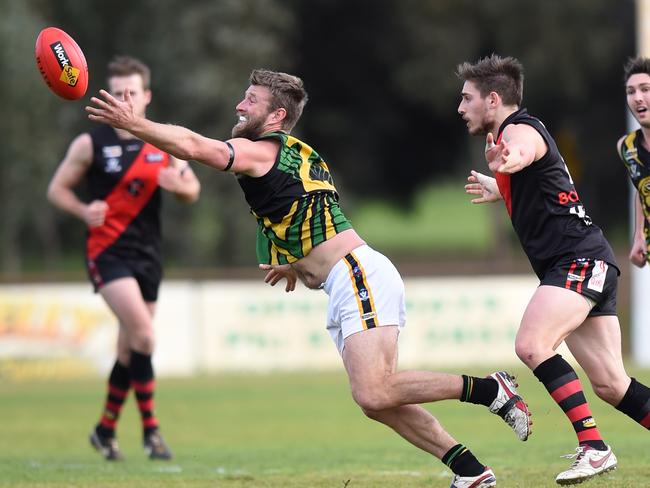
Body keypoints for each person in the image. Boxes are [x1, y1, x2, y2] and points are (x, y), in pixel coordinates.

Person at [85, 68, 531, 488]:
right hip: (349, 278)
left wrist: (135, 123)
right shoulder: (299, 155)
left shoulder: (264, 151)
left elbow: (196, 147)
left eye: (251, 100)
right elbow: (311, 213)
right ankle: (469, 470)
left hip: (358, 273)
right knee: (375, 401)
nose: (240, 105)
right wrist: (297, 261)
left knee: (376, 390)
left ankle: (489, 388)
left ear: (276, 116)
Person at [458, 54, 650, 485]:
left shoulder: (518, 131)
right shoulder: (518, 133)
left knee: (531, 344)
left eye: (467, 98)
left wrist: (509, 163)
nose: (460, 107)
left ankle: (594, 447)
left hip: (576, 261)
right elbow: (532, 173)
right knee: (611, 384)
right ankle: (595, 447)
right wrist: (502, 184)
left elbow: (524, 152)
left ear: (493, 99)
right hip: (586, 259)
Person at [47, 55, 201, 461]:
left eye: (132, 92)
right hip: (107, 251)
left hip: (149, 254)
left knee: (129, 349)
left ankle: (104, 430)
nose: (124, 99)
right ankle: (152, 433)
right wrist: (83, 211)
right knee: (145, 336)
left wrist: (179, 185)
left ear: (147, 96)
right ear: (107, 96)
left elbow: (192, 190)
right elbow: (57, 190)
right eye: (117, 93)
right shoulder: (89, 144)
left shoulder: (163, 139)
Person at [619, 57, 650, 268]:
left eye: (645, 89)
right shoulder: (627, 147)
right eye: (631, 92)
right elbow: (641, 189)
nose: (637, 97)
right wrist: (638, 234)